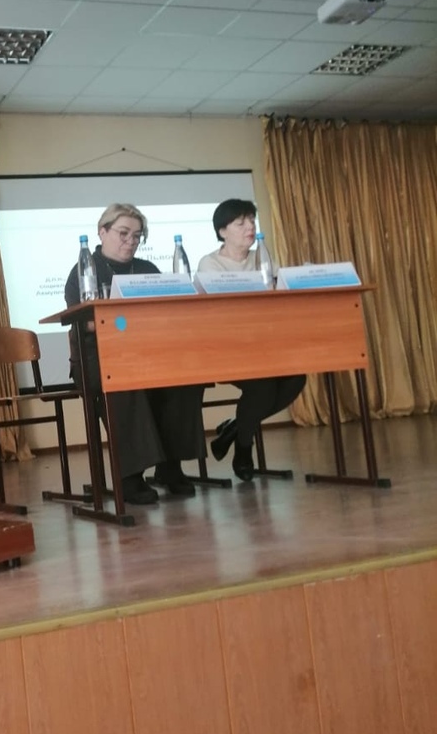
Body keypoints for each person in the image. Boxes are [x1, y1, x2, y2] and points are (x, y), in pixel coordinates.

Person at [64, 204, 206, 505]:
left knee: (185, 380)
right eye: (123, 233)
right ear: (102, 232)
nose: (131, 241)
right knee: (123, 381)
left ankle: (171, 466)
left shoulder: (147, 270)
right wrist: (127, 322)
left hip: (146, 356)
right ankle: (129, 476)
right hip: (97, 360)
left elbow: (166, 315)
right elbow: (85, 323)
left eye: (138, 236)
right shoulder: (83, 271)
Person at [196, 198, 306, 481]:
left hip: (265, 346)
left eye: (252, 220)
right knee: (262, 386)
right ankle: (244, 449)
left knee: (296, 377)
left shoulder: (263, 258)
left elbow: (279, 298)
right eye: (240, 222)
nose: (249, 227)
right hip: (226, 349)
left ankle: (235, 428)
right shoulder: (210, 263)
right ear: (222, 231)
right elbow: (224, 310)